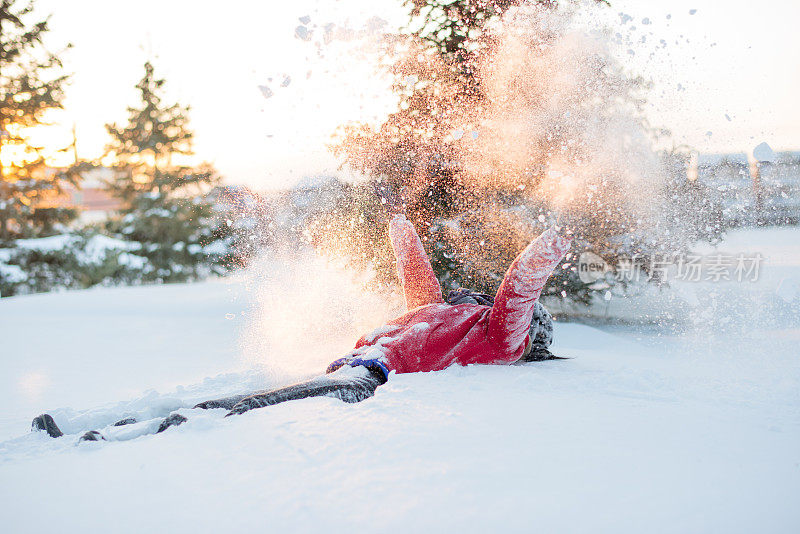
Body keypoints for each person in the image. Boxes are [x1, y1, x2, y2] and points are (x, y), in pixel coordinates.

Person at [32, 214, 571, 439]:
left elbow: (516, 292)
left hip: (367, 380)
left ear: (529, 338)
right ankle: (113, 428)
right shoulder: (445, 313)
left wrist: (551, 246)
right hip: (352, 367)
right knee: (240, 399)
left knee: (241, 408)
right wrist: (401, 231)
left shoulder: (497, 341)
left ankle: (113, 438)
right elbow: (418, 276)